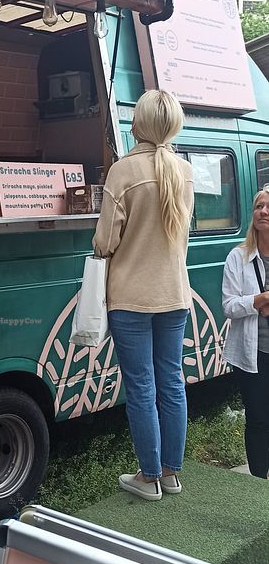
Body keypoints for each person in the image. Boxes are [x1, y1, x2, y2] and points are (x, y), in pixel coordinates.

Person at [93, 89, 194, 500]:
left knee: (141, 386)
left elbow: (104, 242)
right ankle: (170, 474)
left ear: (140, 123)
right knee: (172, 381)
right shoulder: (185, 171)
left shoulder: (123, 171)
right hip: (174, 293)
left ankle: (148, 477)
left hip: (131, 296)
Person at [222, 186, 269, 479]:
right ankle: (257, 483)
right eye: (259, 207)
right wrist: (260, 300)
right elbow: (228, 305)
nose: (263, 212)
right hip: (253, 356)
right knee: (258, 420)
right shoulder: (237, 257)